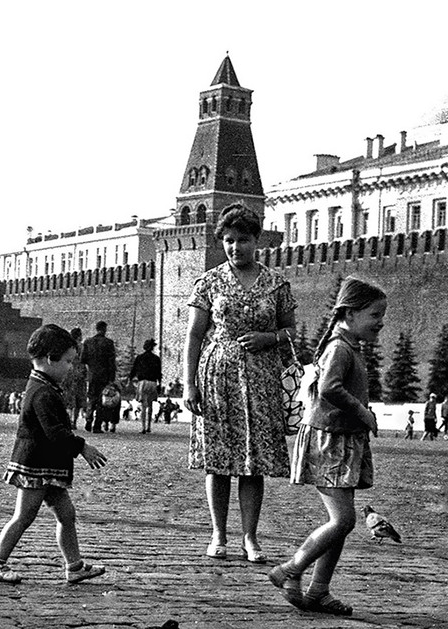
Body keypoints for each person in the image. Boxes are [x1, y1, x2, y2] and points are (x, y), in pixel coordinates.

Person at [183, 203, 297, 563]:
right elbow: (194, 336)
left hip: (262, 378)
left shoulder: (277, 283)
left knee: (254, 461)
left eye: (243, 240)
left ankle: (250, 537)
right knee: (219, 459)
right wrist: (189, 385)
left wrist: (270, 339)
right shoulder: (209, 282)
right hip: (217, 378)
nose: (236, 248)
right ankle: (218, 533)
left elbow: (292, 330)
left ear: (256, 240)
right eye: (229, 241)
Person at [268, 276, 386, 617]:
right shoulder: (339, 348)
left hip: (343, 440)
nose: (381, 322)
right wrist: (363, 411)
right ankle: (291, 568)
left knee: (342, 523)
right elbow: (330, 388)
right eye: (375, 315)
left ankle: (319, 590)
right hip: (329, 440)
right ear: (349, 315)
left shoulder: (348, 347)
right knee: (344, 520)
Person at [0, 324, 108, 585]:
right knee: (24, 516)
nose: (70, 367)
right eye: (67, 361)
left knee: (67, 515)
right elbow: (56, 433)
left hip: (47, 468)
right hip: (36, 468)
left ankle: (74, 566)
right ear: (50, 358)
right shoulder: (42, 393)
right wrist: (82, 447)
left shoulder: (44, 386)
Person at [81, 321, 117, 433]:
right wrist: (112, 378)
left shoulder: (88, 342)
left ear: (96, 329)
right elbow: (111, 363)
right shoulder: (108, 343)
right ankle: (97, 425)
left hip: (92, 375)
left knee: (91, 398)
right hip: (104, 376)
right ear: (105, 329)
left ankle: (88, 419)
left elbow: (83, 359)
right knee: (102, 401)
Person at [129, 338, 162, 434]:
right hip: (153, 383)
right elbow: (159, 373)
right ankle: (149, 426)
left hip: (143, 382)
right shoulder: (156, 359)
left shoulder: (140, 357)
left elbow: (134, 370)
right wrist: (159, 383)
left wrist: (130, 379)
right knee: (150, 405)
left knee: (143, 406)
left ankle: (143, 427)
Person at [62, 327, 88, 430]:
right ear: (79, 336)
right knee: (78, 400)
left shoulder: (67, 347)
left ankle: (68, 419)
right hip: (80, 374)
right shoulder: (82, 347)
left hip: (69, 373)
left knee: (68, 398)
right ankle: (74, 421)